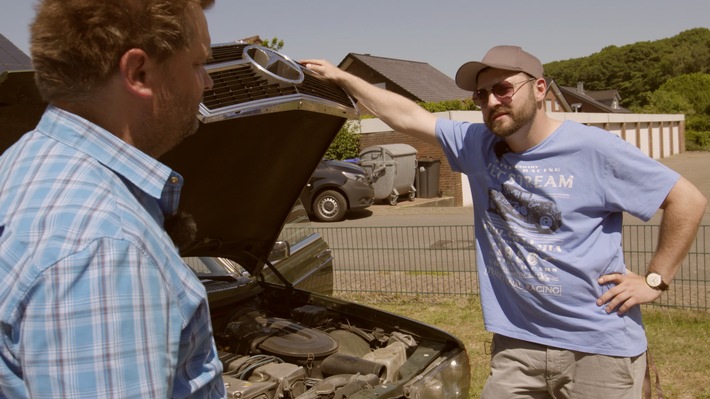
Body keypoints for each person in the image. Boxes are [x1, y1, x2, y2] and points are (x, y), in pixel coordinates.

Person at [302, 46, 707, 398]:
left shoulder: (594, 149)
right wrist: (342, 76)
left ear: (540, 88)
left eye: (503, 88)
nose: (492, 101)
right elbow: (407, 115)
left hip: (597, 348)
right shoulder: (477, 144)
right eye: (482, 94)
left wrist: (655, 280)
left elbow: (686, 200)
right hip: (517, 345)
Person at [0, 1, 226, 397]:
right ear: (138, 72)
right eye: (196, 64)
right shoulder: (104, 247)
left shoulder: (24, 161)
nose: (206, 82)